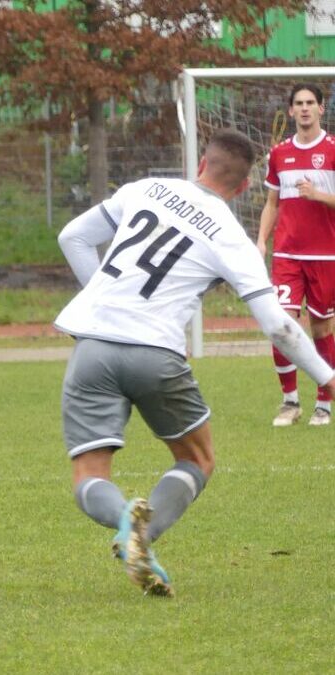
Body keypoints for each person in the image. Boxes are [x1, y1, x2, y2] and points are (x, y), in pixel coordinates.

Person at [55, 128, 335, 597]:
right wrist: (327, 377)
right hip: (156, 351)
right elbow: (280, 326)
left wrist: (101, 299)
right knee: (198, 458)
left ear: (200, 163)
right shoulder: (232, 237)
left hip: (92, 345)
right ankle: (142, 535)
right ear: (246, 186)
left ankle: (125, 516)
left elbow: (73, 237)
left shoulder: (146, 188)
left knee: (89, 474)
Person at [256, 83, 335, 427]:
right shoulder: (279, 153)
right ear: (290, 111)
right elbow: (272, 203)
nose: (304, 109)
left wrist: (320, 196)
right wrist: (261, 241)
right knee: (280, 324)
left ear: (321, 109)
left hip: (326, 255)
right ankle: (290, 401)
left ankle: (324, 401)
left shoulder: (333, 150)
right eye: (298, 104)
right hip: (287, 254)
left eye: (310, 103)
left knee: (320, 329)